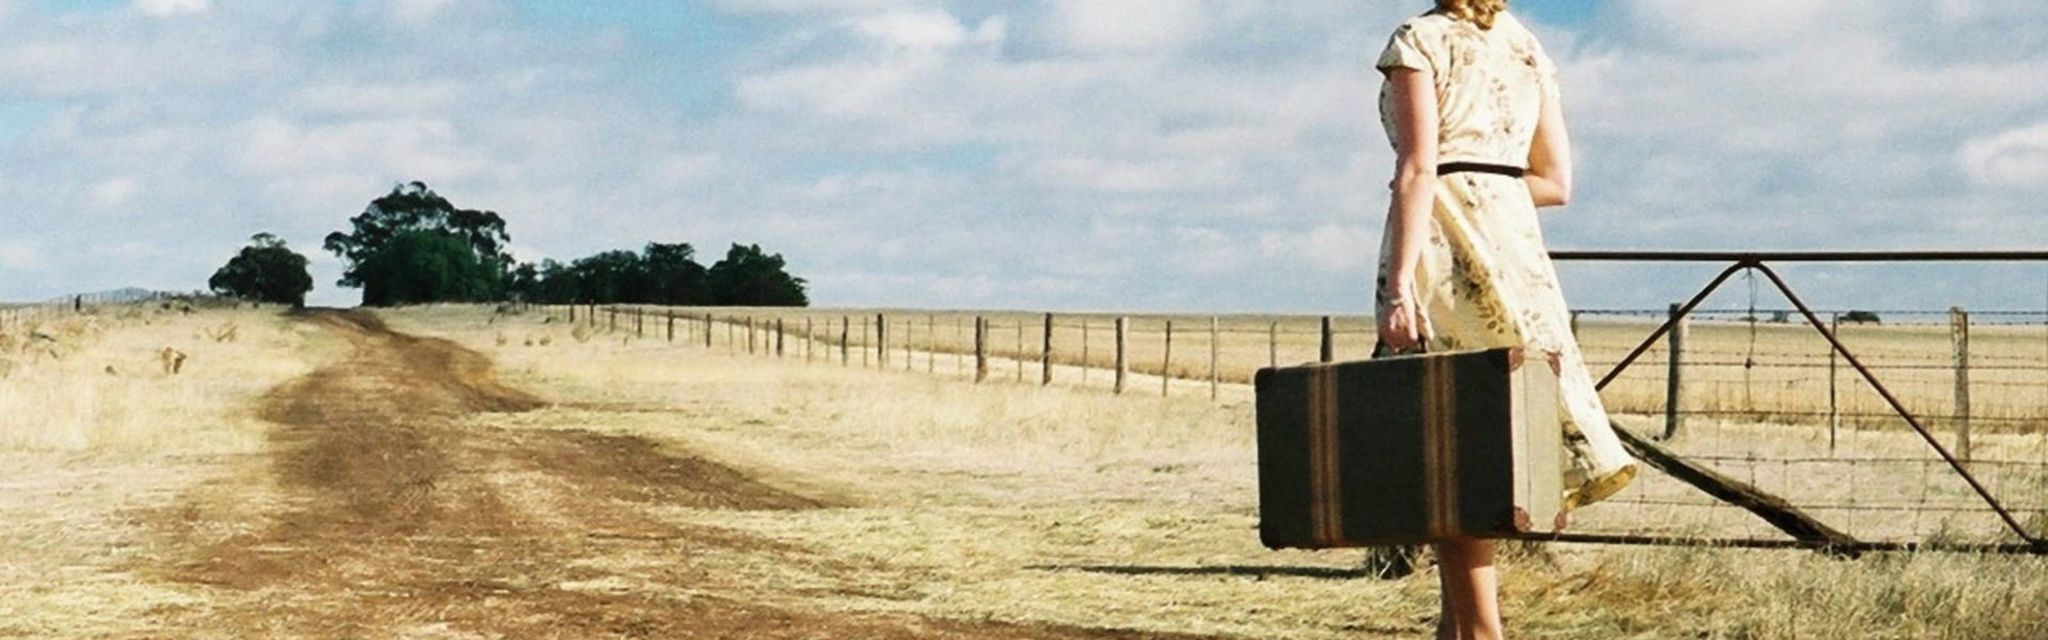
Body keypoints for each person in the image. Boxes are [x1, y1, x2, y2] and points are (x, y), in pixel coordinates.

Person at [1371, 1, 1640, 638]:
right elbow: (1556, 182)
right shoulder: (1526, 45)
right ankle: (1461, 628)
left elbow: (1417, 168)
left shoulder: (1419, 39)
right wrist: (1492, 191)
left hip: (1444, 247)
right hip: (1517, 249)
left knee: (1450, 452)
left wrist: (1397, 288)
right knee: (1494, 441)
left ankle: (1483, 632)